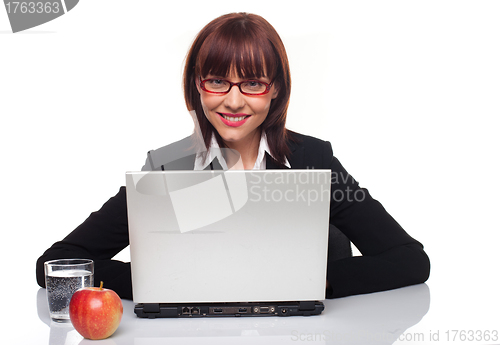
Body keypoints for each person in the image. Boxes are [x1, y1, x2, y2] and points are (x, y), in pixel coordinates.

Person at [36, 12, 430, 300]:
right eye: (218, 81)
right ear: (198, 85)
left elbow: (410, 260)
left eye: (253, 83)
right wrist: (155, 281)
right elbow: (55, 265)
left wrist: (313, 282)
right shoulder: (166, 168)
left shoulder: (313, 159)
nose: (234, 100)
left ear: (275, 89)